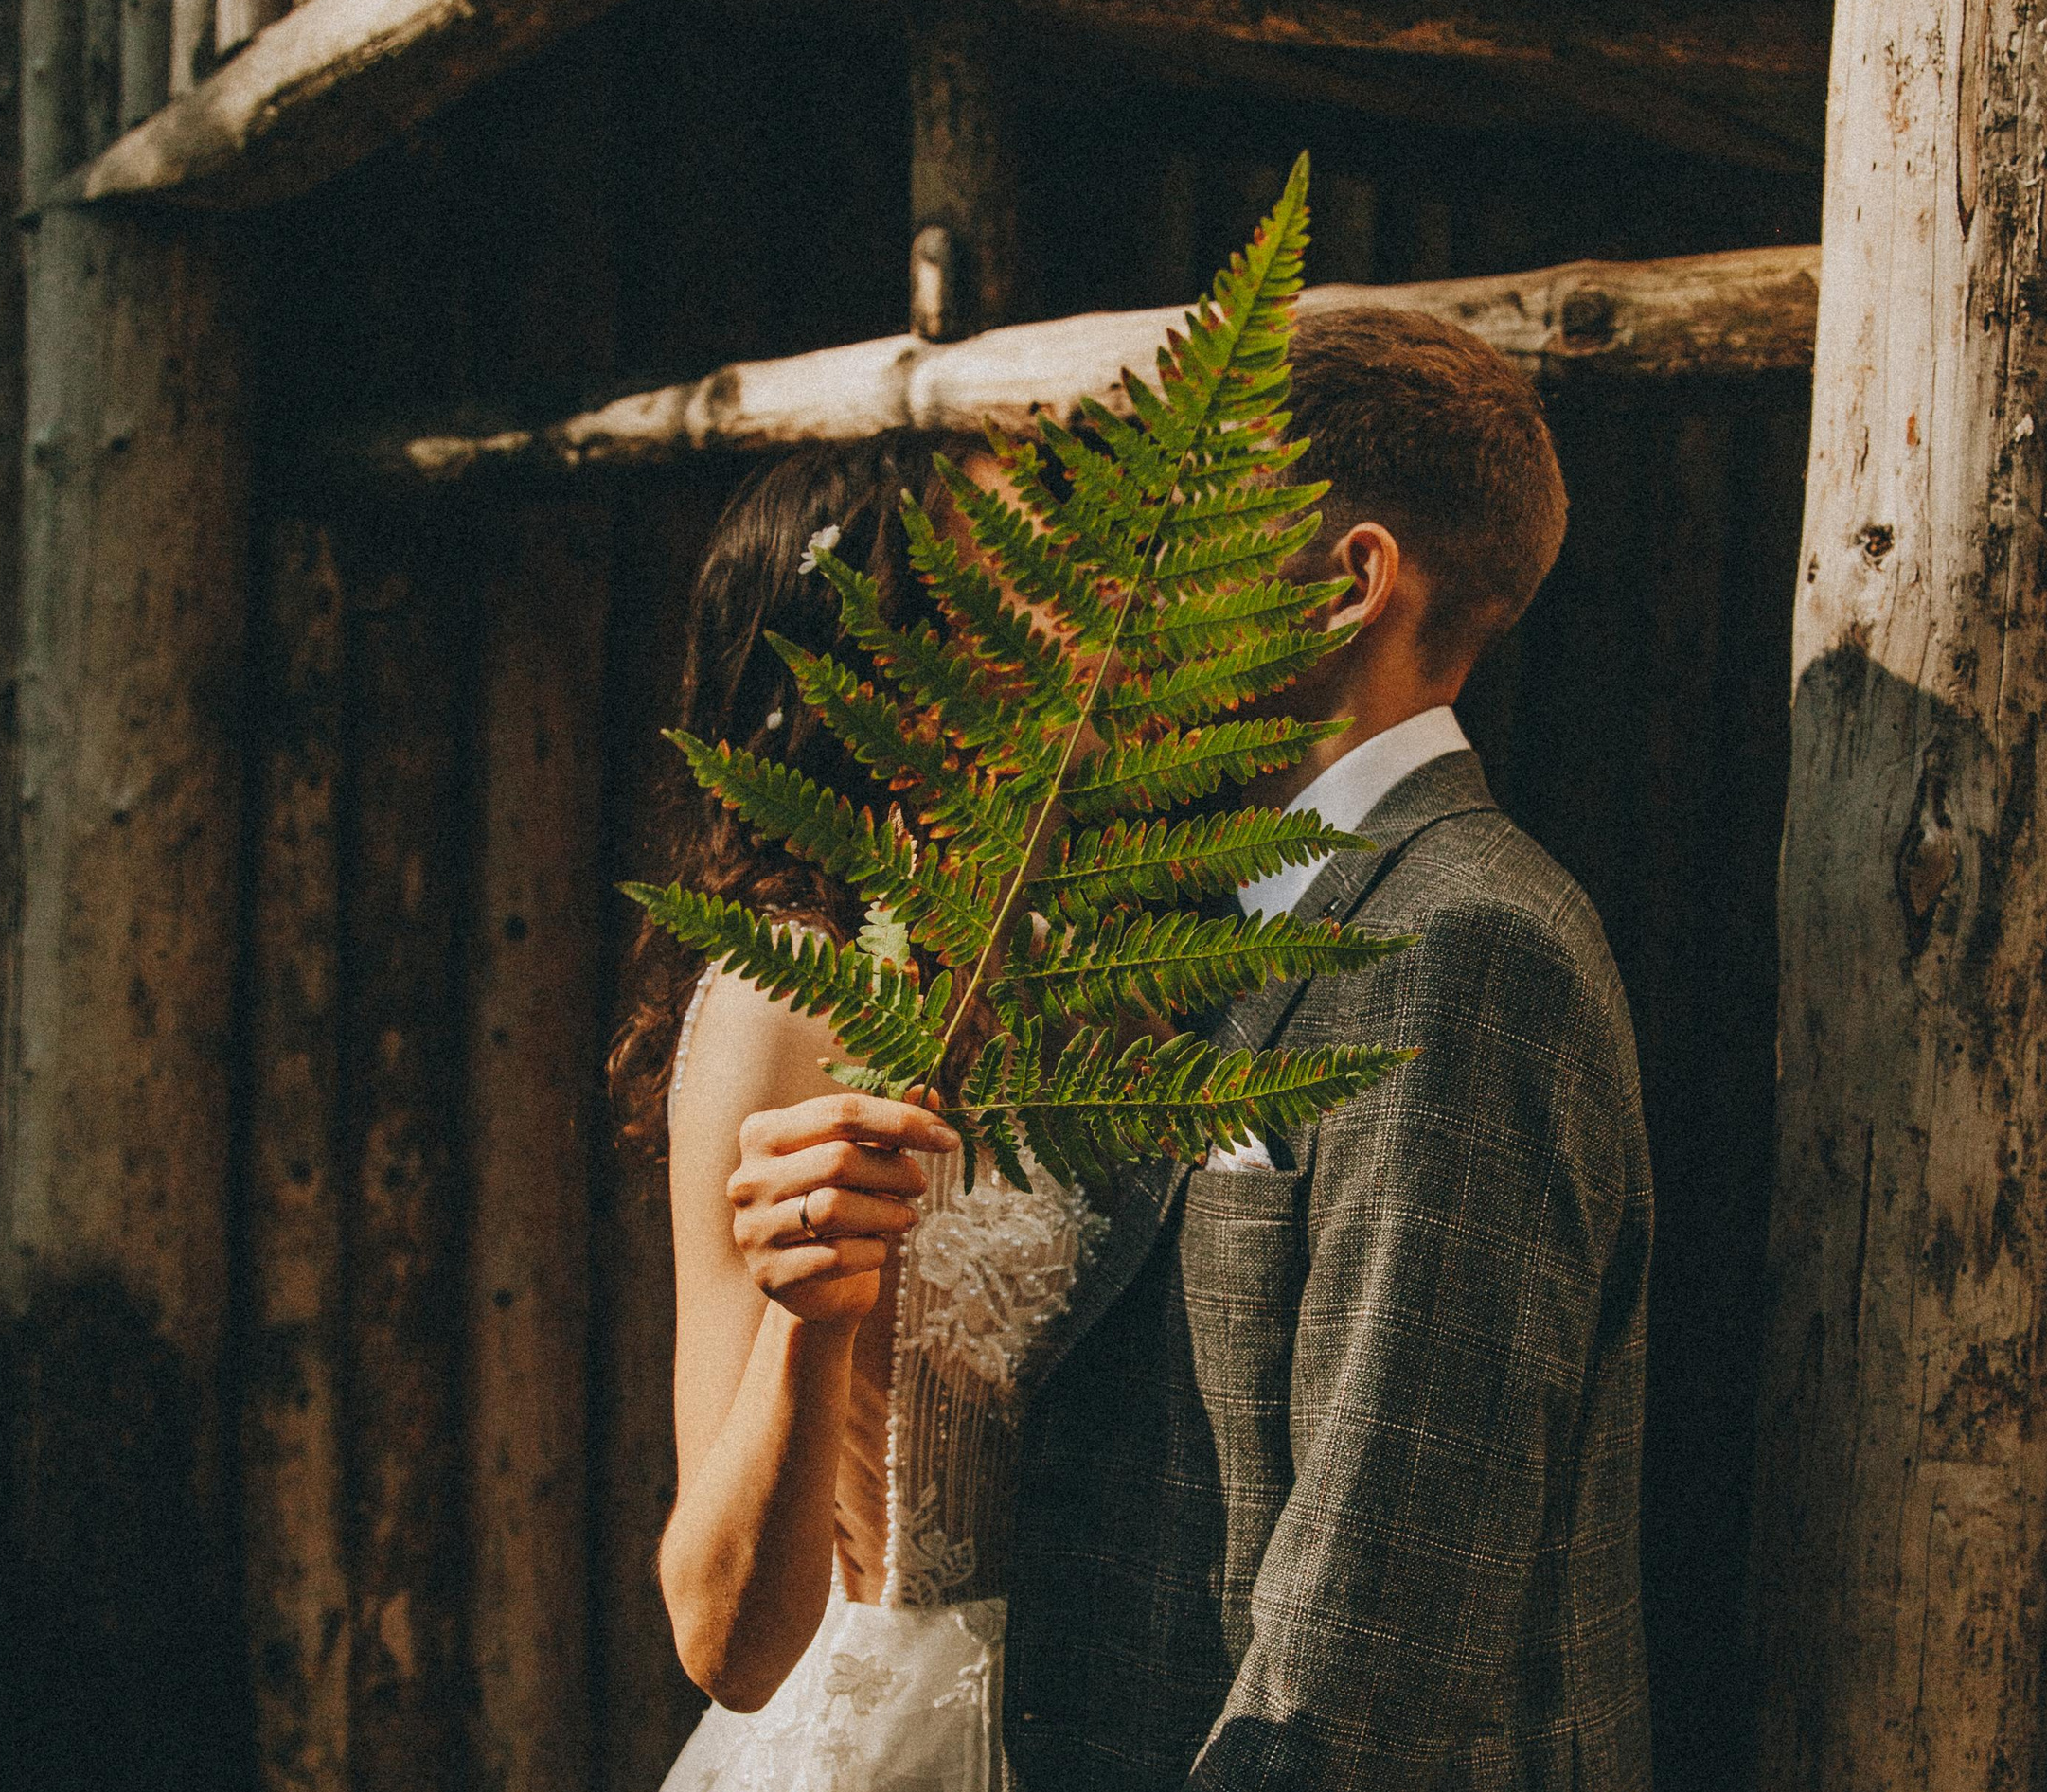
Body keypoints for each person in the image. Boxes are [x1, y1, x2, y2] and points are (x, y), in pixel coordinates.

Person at [1002, 305, 1655, 1791]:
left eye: (1177, 542)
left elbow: (1379, 1622)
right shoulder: (1224, 913)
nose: (1118, 597)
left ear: (1351, 581)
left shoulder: (1466, 950)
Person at [611, 435, 1107, 1792]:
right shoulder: (786, 1007)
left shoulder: (1082, 965)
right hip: (911, 1739)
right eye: (1015, 587)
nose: (1062, 620)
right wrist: (805, 1320)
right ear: (900, 669)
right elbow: (720, 1632)